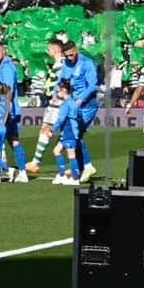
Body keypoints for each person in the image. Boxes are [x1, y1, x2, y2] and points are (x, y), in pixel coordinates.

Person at [0, 38, 28, 182]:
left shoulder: (7, 68)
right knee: (13, 141)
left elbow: (8, 92)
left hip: (7, 111)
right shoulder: (4, 66)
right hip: (10, 110)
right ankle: (22, 173)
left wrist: (4, 114)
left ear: (4, 51)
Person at [59, 41, 99, 182]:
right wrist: (55, 94)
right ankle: (81, 167)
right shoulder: (65, 64)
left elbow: (93, 85)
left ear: (75, 50)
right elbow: (62, 81)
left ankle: (87, 166)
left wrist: (81, 99)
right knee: (76, 135)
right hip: (73, 105)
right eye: (67, 56)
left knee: (75, 134)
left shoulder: (86, 63)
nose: (70, 58)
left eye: (71, 55)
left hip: (88, 105)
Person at [28, 38, 65, 173]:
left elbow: (64, 83)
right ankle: (35, 162)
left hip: (58, 104)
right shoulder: (58, 64)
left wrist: (58, 97)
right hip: (55, 102)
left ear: (55, 49)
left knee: (47, 129)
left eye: (49, 49)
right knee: (46, 129)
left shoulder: (61, 64)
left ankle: (36, 162)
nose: (48, 51)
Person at [47, 79, 82, 185]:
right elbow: (79, 115)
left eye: (58, 91)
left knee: (71, 154)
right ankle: (62, 175)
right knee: (56, 150)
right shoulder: (73, 103)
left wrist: (52, 130)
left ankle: (75, 178)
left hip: (68, 130)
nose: (57, 93)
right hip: (70, 130)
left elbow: (61, 119)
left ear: (64, 90)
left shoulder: (66, 104)